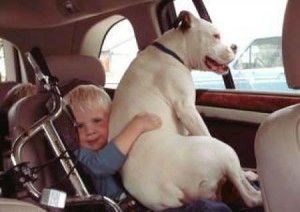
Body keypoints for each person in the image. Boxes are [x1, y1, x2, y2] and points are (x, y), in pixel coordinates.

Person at [64, 84, 232, 212]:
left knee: (210, 206)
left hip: (159, 195)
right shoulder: (81, 154)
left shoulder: (120, 139)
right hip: (130, 208)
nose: (90, 131)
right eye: (79, 126)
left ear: (113, 117)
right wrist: (136, 126)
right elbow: (101, 165)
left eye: (97, 121)